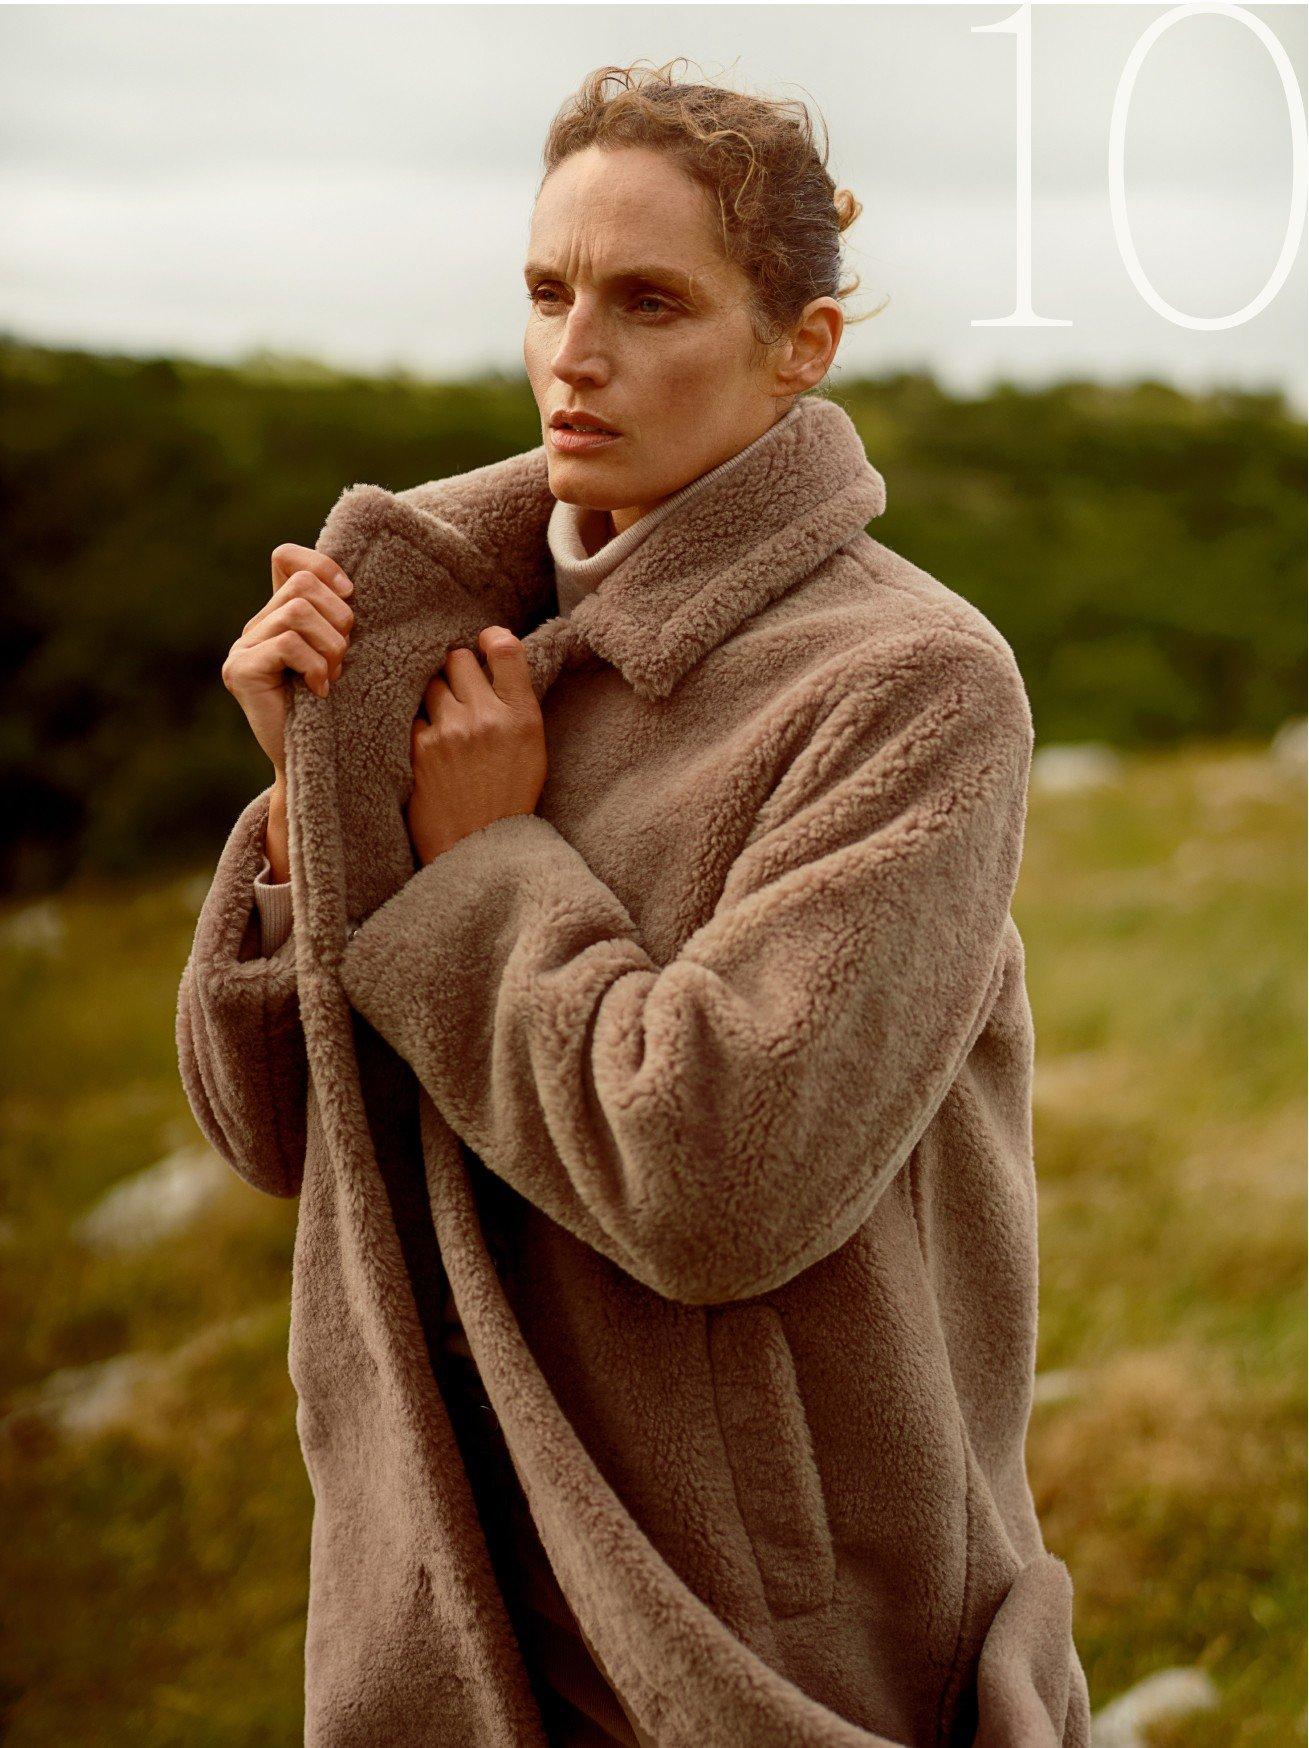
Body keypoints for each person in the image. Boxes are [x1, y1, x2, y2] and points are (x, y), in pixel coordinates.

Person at [178, 58, 1091, 1747]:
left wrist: (490, 868)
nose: (572, 354)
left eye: (649, 300)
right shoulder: (442, 642)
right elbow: (298, 1159)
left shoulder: (911, 686)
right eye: (548, 290)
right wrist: (316, 804)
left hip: (757, 1628)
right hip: (447, 1585)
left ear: (798, 346)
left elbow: (719, 1176)